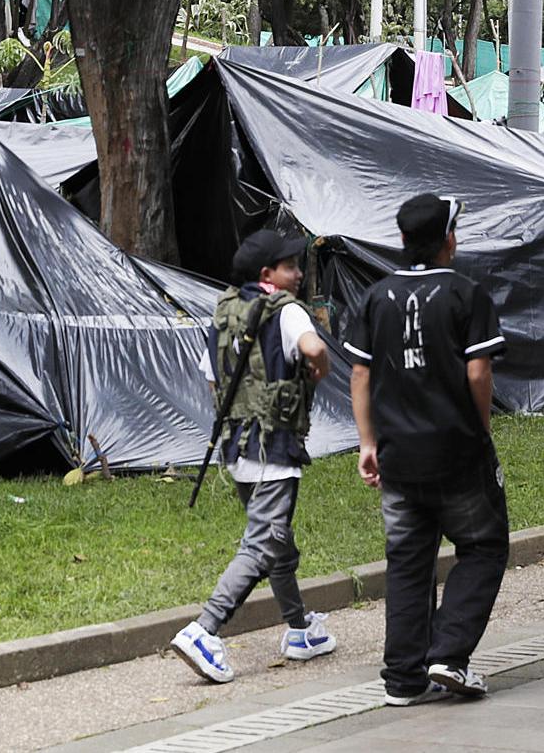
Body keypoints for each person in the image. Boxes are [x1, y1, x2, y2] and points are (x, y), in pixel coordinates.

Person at [345, 195, 508, 706]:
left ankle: (402, 680)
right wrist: (479, 430)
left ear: (402, 240)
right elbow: (478, 371)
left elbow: (360, 373)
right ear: (448, 240)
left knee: (408, 562)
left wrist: (367, 443)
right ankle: (449, 654)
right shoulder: (466, 294)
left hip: (397, 458)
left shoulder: (375, 298)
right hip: (457, 453)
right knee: (483, 546)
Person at [171, 230, 336, 684]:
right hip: (275, 449)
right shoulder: (288, 312)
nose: (299, 275)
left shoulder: (226, 311)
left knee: (277, 543)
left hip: (236, 448)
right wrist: (315, 374)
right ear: (268, 274)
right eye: (290, 266)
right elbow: (315, 348)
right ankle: (205, 629)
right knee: (264, 542)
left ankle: (301, 629)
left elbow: (212, 379)